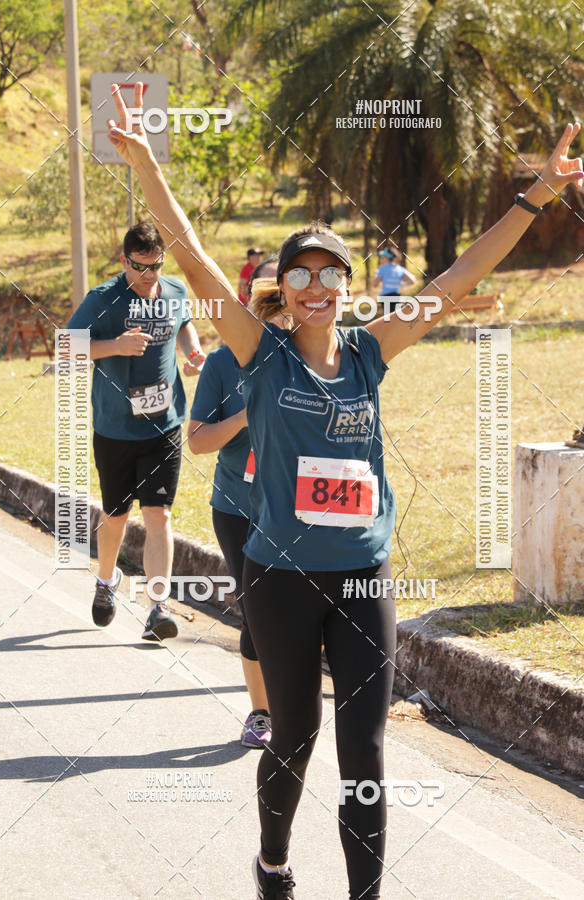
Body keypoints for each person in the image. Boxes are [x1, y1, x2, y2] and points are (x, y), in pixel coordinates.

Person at [107, 84, 583, 898]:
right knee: (294, 735)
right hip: (281, 577)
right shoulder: (259, 352)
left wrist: (536, 194)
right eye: (301, 273)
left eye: (332, 273)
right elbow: (190, 255)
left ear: (348, 285)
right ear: (283, 286)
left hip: (363, 573)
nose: (317, 286)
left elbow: (461, 273)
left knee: (364, 750)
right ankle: (273, 861)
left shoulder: (370, 350)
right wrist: (148, 166)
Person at [67, 221, 206, 641]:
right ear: (124, 260)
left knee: (159, 515)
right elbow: (67, 345)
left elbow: (183, 324)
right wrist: (115, 346)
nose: (148, 275)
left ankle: (158, 607)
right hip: (116, 430)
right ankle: (106, 580)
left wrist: (193, 352)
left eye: (155, 266)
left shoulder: (175, 291)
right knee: (116, 516)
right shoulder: (104, 299)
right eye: (140, 267)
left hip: (164, 425)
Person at [187, 258, 279, 750]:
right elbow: (197, 440)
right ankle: (262, 713)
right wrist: (245, 417)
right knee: (258, 611)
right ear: (248, 298)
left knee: (305, 612)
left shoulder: (314, 356)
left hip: (301, 510)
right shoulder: (223, 363)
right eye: (267, 290)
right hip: (239, 508)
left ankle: (292, 701)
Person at [372, 247, 416, 313]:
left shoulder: (382, 269)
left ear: (386, 258)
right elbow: (412, 280)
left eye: (383, 257)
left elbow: (374, 284)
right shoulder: (400, 269)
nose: (382, 259)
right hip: (396, 297)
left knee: (388, 317)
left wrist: (375, 274)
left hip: (385, 297)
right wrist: (403, 284)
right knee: (396, 317)